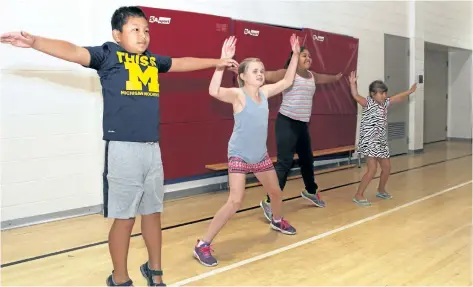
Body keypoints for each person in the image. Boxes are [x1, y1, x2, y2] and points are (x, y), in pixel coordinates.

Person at [0, 6, 237, 286]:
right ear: (117, 34)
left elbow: (180, 62)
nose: (143, 35)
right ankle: (119, 277)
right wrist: (35, 42)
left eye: (146, 30)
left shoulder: (151, 60)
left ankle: (155, 273)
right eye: (135, 29)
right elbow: (73, 51)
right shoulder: (108, 54)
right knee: (125, 219)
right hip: (123, 150)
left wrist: (217, 62)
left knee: (152, 214)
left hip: (152, 150)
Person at [193, 34, 299, 267]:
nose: (260, 74)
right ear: (242, 76)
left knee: (276, 192)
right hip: (239, 154)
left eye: (262, 70)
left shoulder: (265, 93)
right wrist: (222, 62)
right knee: (235, 201)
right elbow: (213, 90)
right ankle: (203, 244)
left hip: (259, 155)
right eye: (255, 71)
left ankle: (277, 219)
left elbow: (287, 81)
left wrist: (296, 55)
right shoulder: (238, 95)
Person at [257, 46, 343, 221]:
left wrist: (336, 77)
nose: (308, 57)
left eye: (310, 55)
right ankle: (269, 201)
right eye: (304, 55)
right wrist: (246, 74)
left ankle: (310, 191)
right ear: (295, 57)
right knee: (284, 163)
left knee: (307, 159)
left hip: (302, 125)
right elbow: (267, 75)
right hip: (286, 122)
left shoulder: (312, 76)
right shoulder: (287, 73)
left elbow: (325, 78)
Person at [348, 71, 417, 206]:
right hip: (369, 142)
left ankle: (381, 190)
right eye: (382, 93)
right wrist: (352, 84)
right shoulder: (367, 103)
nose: (384, 95)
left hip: (381, 142)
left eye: (385, 93)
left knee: (386, 167)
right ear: (373, 94)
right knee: (372, 169)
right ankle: (358, 194)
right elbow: (355, 95)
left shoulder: (384, 103)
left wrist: (409, 91)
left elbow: (397, 97)